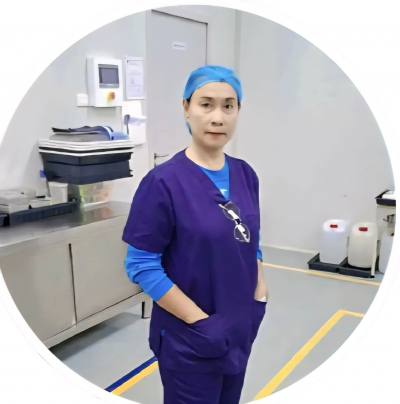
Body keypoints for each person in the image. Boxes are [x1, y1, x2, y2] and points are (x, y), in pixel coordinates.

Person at [122, 65, 269, 404]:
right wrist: (201, 323)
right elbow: (141, 266)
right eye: (206, 104)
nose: (218, 117)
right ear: (186, 108)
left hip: (239, 328)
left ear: (238, 111)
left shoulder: (246, 174)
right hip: (188, 338)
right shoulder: (162, 183)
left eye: (228, 106)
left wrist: (259, 294)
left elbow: (250, 238)